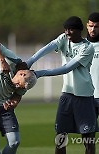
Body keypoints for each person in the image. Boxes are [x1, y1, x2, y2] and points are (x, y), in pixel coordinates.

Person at [26, 16, 97, 154]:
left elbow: (67, 68)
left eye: (71, 29)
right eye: (66, 30)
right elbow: (47, 48)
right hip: (67, 95)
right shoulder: (64, 38)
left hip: (84, 97)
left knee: (88, 141)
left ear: (79, 31)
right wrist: (29, 62)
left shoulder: (87, 48)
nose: (68, 32)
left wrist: (39, 73)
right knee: (60, 138)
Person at [0, 38, 37, 154]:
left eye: (22, 88)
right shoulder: (13, 60)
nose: (19, 88)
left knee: (14, 141)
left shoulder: (25, 85)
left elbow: (17, 96)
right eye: (20, 84)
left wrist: (14, 102)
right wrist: (2, 60)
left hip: (4, 107)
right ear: (22, 74)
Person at [87, 12, 99, 117]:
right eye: (91, 26)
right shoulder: (82, 45)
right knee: (88, 133)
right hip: (87, 97)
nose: (93, 29)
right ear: (87, 26)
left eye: (96, 26)